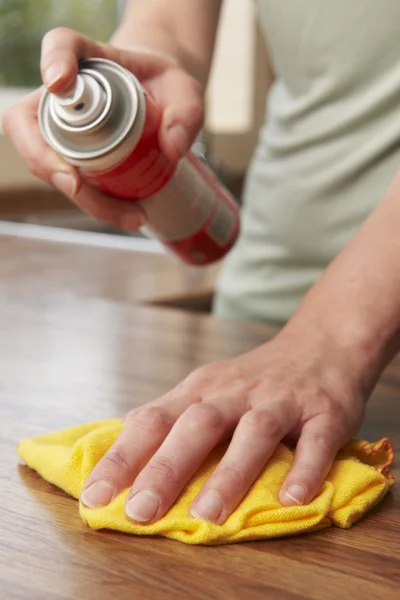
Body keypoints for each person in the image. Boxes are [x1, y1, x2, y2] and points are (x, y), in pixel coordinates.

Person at [3, 0, 400, 526]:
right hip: (256, 320)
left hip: (344, 341)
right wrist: (141, 75)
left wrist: (333, 339)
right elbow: (167, 21)